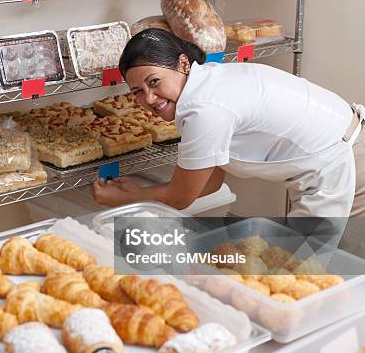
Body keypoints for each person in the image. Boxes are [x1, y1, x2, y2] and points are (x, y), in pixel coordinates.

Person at [92, 28, 365, 218]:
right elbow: (209, 181)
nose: (149, 98)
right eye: (137, 91)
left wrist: (124, 200)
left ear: (183, 63)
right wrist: (142, 194)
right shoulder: (205, 82)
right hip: (340, 150)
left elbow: (180, 197)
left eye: (154, 82)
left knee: (310, 281)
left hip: (343, 165)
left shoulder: (204, 108)